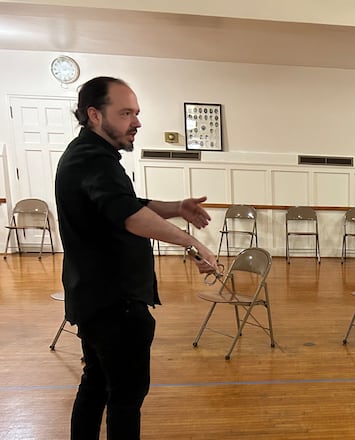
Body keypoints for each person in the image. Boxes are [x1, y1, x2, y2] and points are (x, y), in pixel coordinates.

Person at [55, 76, 218, 440]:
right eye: (126, 112)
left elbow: (126, 204)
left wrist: (177, 207)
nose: (137, 122)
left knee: (96, 383)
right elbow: (128, 215)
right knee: (125, 400)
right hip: (116, 305)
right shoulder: (92, 159)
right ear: (95, 115)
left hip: (97, 299)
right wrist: (193, 244)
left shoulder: (89, 156)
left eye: (137, 113)